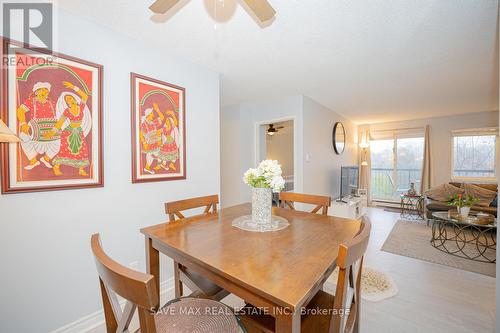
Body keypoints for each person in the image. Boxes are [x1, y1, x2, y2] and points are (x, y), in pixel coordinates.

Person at [45, 81, 92, 176]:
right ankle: (56, 167)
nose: (70, 100)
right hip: (68, 133)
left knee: (82, 150)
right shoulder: (67, 111)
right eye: (68, 99)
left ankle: (81, 169)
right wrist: (51, 133)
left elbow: (85, 96)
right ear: (67, 103)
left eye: (71, 98)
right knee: (64, 151)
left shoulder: (81, 107)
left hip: (78, 132)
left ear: (74, 99)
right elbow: (59, 123)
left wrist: (73, 87)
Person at [16, 82, 60, 170]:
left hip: (51, 129)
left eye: (47, 90)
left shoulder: (52, 103)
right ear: (36, 92)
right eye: (42, 90)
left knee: (59, 141)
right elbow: (20, 111)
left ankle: (46, 159)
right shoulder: (31, 101)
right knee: (23, 136)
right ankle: (33, 161)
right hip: (34, 129)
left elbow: (60, 115)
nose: (45, 92)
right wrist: (23, 124)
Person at [139, 103, 164, 174]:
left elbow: (162, 118)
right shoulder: (144, 124)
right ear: (148, 115)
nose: (153, 115)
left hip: (156, 141)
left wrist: (157, 110)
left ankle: (150, 167)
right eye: (152, 114)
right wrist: (144, 143)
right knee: (151, 155)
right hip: (150, 142)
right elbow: (141, 134)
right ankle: (147, 168)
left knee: (156, 154)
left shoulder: (153, 122)